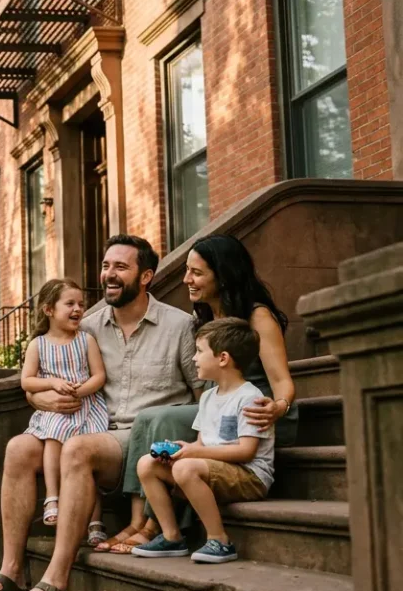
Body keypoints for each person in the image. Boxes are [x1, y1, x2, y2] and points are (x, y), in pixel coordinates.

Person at [0, 235, 201, 591]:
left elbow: (204, 394)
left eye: (120, 267)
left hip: (145, 440)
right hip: (94, 427)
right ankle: (11, 571)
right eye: (106, 266)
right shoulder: (84, 327)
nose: (109, 274)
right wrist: (40, 399)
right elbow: (40, 380)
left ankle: (57, 581)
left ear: (146, 277)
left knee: (78, 447)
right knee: (19, 448)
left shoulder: (179, 326)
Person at [98, 234, 297, 553]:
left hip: (254, 414)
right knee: (150, 419)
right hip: (218, 408)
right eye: (187, 270)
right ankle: (138, 519)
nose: (186, 279)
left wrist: (279, 406)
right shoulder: (203, 315)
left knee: (163, 418)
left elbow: (282, 381)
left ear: (223, 275)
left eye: (197, 272)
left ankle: (153, 526)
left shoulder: (257, 315)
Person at [131, 318, 274, 563]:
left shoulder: (249, 397)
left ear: (223, 358)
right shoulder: (208, 397)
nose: (194, 358)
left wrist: (193, 455)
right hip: (214, 469)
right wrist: (183, 449)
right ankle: (172, 536)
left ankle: (220, 540)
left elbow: (246, 451)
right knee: (147, 464)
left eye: (199, 351)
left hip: (250, 476)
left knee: (185, 468)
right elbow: (202, 443)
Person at [18, 278, 108, 541]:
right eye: (70, 304)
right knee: (54, 434)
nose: (77, 309)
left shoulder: (86, 340)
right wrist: (53, 383)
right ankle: (52, 497)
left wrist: (80, 391)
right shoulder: (38, 345)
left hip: (86, 407)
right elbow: (27, 381)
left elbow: (99, 376)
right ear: (49, 309)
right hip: (56, 411)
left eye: (81, 304)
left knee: (88, 457)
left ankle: (95, 521)